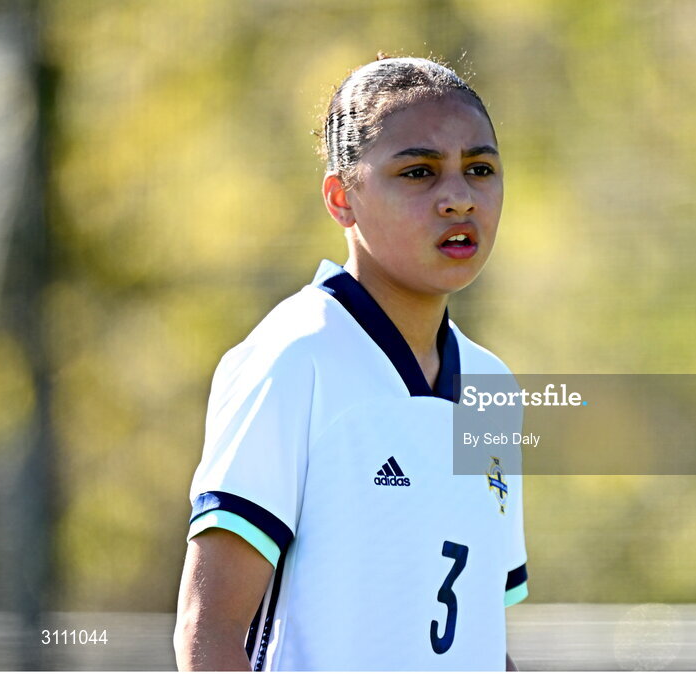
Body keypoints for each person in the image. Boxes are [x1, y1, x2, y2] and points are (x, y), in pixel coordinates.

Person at [173, 54, 528, 671]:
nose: (458, 198)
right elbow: (208, 629)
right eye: (418, 171)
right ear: (342, 198)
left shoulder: (495, 389)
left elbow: (478, 634)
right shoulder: (293, 356)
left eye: (480, 169)